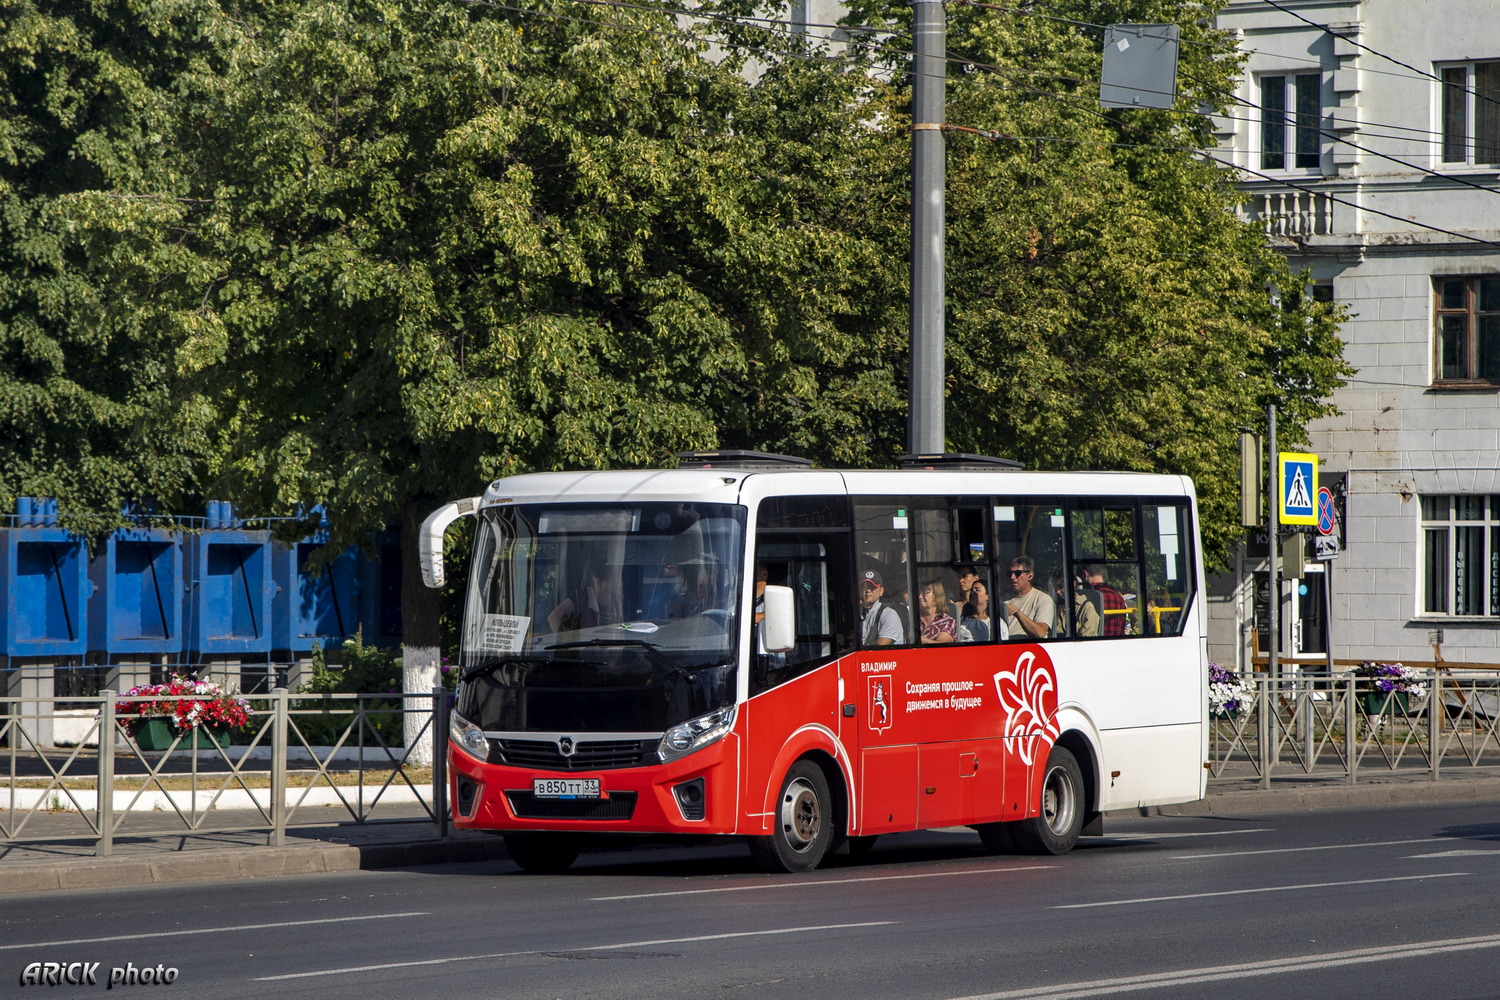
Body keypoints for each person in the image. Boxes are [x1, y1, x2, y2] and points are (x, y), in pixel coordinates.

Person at [547, 564, 622, 632]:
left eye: (607, 582)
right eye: (599, 582)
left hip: (612, 645)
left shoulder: (617, 601)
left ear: (612, 580)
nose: (604, 586)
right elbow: (553, 617)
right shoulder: (581, 597)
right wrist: (562, 642)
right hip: (586, 645)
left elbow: (623, 626)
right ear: (593, 579)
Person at [1002, 556, 1054, 640]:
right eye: (1009, 573)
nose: (1012, 577)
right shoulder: (1001, 598)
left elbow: (1040, 633)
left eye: (1017, 573)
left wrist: (1018, 614)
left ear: (1030, 575)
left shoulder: (1043, 599)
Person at [859, 569, 905, 646]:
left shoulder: (889, 615)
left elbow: (879, 648)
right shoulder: (857, 613)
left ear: (881, 591)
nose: (868, 590)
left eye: (872, 587)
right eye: (864, 586)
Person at [1087, 565, 1130, 636]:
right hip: (1116, 642)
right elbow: (1122, 622)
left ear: (1085, 574)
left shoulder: (1086, 596)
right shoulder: (1118, 597)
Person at [917, 579, 957, 644]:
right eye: (919, 593)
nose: (920, 597)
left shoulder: (946, 621)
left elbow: (942, 644)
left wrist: (920, 639)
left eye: (925, 592)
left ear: (937, 596)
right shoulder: (912, 618)